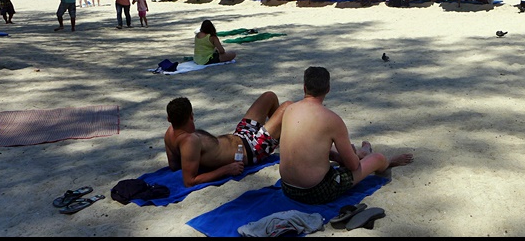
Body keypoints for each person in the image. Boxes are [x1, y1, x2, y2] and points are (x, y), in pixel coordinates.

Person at [278, 67, 413, 205]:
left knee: (328, 148)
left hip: (287, 188)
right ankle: (386, 162)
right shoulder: (331, 119)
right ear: (328, 89)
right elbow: (353, 166)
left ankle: (360, 153)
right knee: (377, 158)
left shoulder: (289, 110)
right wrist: (351, 157)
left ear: (304, 87)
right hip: (314, 192)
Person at [164, 92, 292, 187]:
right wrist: (226, 169)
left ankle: (281, 137)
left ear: (169, 119)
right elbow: (189, 181)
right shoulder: (189, 142)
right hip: (252, 148)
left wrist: (190, 158)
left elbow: (174, 166)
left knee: (269, 96)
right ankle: (289, 143)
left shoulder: (170, 133)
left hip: (240, 134)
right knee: (287, 107)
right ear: (191, 117)